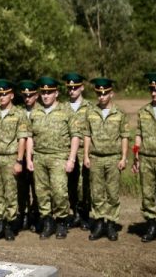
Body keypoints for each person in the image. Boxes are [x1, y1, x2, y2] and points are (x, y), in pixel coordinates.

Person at [28, 77, 83, 240]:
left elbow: (75, 136)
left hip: (59, 157)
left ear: (56, 93)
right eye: (43, 92)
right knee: (41, 192)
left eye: (49, 92)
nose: (46, 96)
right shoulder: (35, 113)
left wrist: (71, 159)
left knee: (59, 191)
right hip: (39, 156)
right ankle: (47, 221)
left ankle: (61, 221)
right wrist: (29, 158)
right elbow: (30, 136)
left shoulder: (66, 112)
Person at [0, 80, 31, 241]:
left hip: (10, 157)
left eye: (5, 94)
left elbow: (22, 139)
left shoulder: (19, 114)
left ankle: (10, 225)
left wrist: (19, 160)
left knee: (11, 193)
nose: (1, 97)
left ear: (11, 95)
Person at [83, 78, 129, 241]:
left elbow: (124, 137)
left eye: (104, 93)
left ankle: (110, 223)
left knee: (112, 192)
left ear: (111, 94)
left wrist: (124, 158)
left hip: (113, 158)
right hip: (95, 157)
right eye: (98, 93)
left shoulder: (119, 114)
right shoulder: (91, 112)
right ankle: (99, 222)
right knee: (97, 192)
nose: (101, 96)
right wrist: (86, 155)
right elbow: (87, 135)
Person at [132, 72, 156, 246]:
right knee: (148, 195)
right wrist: (136, 154)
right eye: (151, 89)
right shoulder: (143, 112)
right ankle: (152, 225)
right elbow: (138, 134)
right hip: (146, 159)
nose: (153, 93)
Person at [62, 72, 94, 230]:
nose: (72, 91)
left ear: (81, 88)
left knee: (84, 185)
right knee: (70, 185)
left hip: (84, 151)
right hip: (67, 151)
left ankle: (84, 214)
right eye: (69, 88)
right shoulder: (62, 107)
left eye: (75, 87)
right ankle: (74, 213)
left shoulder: (90, 107)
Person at [17, 80, 40, 231]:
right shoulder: (19, 112)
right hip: (20, 156)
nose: (27, 98)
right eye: (25, 95)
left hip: (36, 155)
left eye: (30, 95)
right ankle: (24, 215)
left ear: (36, 96)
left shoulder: (41, 112)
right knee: (22, 188)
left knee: (38, 188)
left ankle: (36, 216)